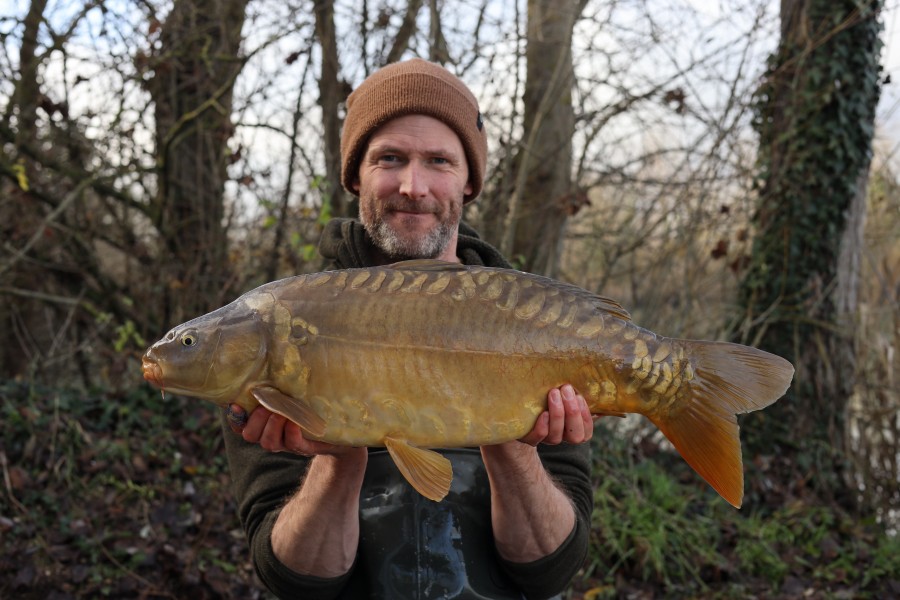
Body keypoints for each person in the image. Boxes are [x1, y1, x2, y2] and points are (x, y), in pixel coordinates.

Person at [222, 58, 594, 600]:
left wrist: (514, 444)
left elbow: (549, 573)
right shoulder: (281, 328)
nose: (413, 186)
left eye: (439, 161)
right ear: (356, 176)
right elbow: (295, 582)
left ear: (469, 183)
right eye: (389, 158)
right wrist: (337, 459)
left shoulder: (538, 322)